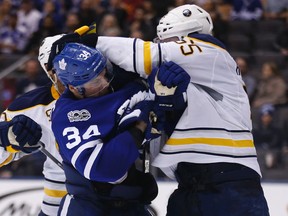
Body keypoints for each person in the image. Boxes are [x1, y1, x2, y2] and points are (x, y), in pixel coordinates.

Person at [49, 4, 270, 215]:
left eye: (165, 40)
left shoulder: (210, 52)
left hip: (230, 182)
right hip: (190, 185)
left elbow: (146, 55)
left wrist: (90, 43)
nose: (162, 44)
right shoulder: (198, 76)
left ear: (185, 36)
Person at [50, 42, 161, 216]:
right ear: (73, 88)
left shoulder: (119, 87)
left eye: (105, 73)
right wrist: (139, 126)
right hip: (88, 208)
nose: (106, 83)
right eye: (95, 81)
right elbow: (103, 168)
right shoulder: (68, 115)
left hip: (133, 206)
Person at [0, 34, 67, 216]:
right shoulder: (30, 106)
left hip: (121, 198)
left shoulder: (112, 92)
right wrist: (7, 137)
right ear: (49, 70)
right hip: (59, 202)